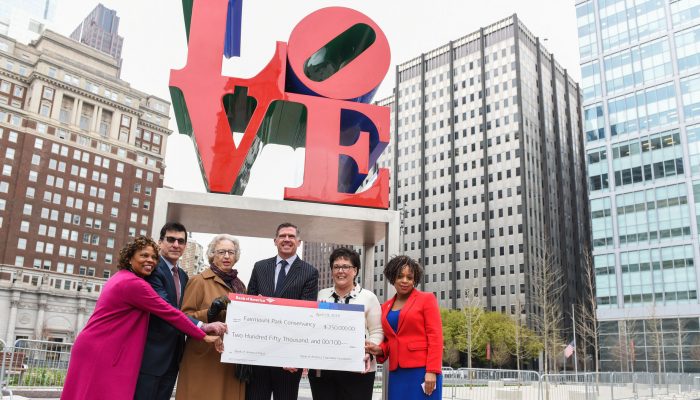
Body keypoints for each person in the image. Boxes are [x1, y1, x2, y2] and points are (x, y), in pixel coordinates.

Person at [61, 236, 222, 400]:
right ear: (130, 258)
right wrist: (203, 333)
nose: (150, 261)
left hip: (96, 346)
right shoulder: (134, 284)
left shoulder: (121, 277)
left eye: (153, 257)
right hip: (102, 349)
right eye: (144, 255)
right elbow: (169, 312)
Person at [135, 222, 226, 400]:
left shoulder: (183, 276)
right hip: (151, 356)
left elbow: (185, 311)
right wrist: (203, 326)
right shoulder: (152, 270)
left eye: (181, 241)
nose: (176, 245)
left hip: (174, 355)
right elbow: (167, 310)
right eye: (171, 240)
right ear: (160, 242)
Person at [246, 222, 319, 400]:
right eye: (283, 236)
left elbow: (305, 316)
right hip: (259, 352)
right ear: (275, 240)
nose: (287, 239)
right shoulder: (260, 267)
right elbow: (248, 307)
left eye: (291, 236)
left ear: (299, 242)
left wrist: (294, 355)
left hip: (289, 358)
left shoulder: (310, 272)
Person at [176, 234, 248, 399]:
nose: (227, 256)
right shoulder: (199, 281)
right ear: (212, 254)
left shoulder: (240, 285)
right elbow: (184, 318)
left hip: (230, 357)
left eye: (231, 252)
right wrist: (210, 312)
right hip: (205, 356)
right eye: (221, 252)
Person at [309, 247, 383, 400]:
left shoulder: (368, 297)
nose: (340, 271)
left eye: (346, 267)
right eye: (336, 267)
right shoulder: (321, 295)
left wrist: (368, 351)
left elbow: (377, 331)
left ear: (355, 270)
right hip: (324, 370)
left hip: (359, 370)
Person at [365, 255, 443, 399]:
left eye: (409, 277)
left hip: (422, 371)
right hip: (396, 373)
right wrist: (380, 349)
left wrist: (432, 371)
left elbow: (435, 337)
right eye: (400, 276)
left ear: (415, 280)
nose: (405, 281)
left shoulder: (426, 299)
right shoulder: (386, 306)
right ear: (392, 277)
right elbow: (391, 339)